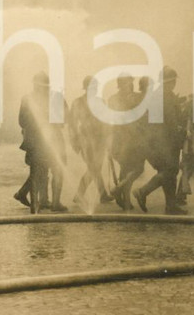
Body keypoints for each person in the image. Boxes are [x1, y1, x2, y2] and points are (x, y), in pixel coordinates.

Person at [132, 66, 188, 215]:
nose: (175, 83)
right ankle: (143, 191)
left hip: (156, 141)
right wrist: (182, 132)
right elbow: (171, 121)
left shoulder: (157, 95)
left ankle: (170, 206)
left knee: (167, 172)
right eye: (173, 80)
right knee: (170, 171)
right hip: (165, 142)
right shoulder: (166, 96)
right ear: (169, 82)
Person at [17, 71, 69, 213]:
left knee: (38, 171)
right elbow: (65, 118)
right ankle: (54, 203)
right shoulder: (57, 97)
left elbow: (22, 121)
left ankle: (36, 205)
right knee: (56, 169)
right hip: (52, 139)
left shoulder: (27, 98)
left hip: (36, 140)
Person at [68, 75, 112, 206]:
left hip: (100, 141)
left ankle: (101, 194)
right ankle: (81, 194)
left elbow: (106, 122)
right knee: (93, 168)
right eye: (91, 87)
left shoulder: (101, 102)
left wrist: (108, 139)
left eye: (95, 87)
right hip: (85, 141)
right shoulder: (77, 103)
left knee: (96, 168)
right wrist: (74, 141)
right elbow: (72, 123)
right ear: (85, 88)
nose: (93, 89)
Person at [108, 74, 147, 210]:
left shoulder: (113, 99)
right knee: (137, 169)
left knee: (126, 169)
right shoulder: (132, 98)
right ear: (123, 84)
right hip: (130, 140)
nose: (131, 85)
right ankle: (119, 191)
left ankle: (123, 198)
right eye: (129, 83)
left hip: (120, 140)